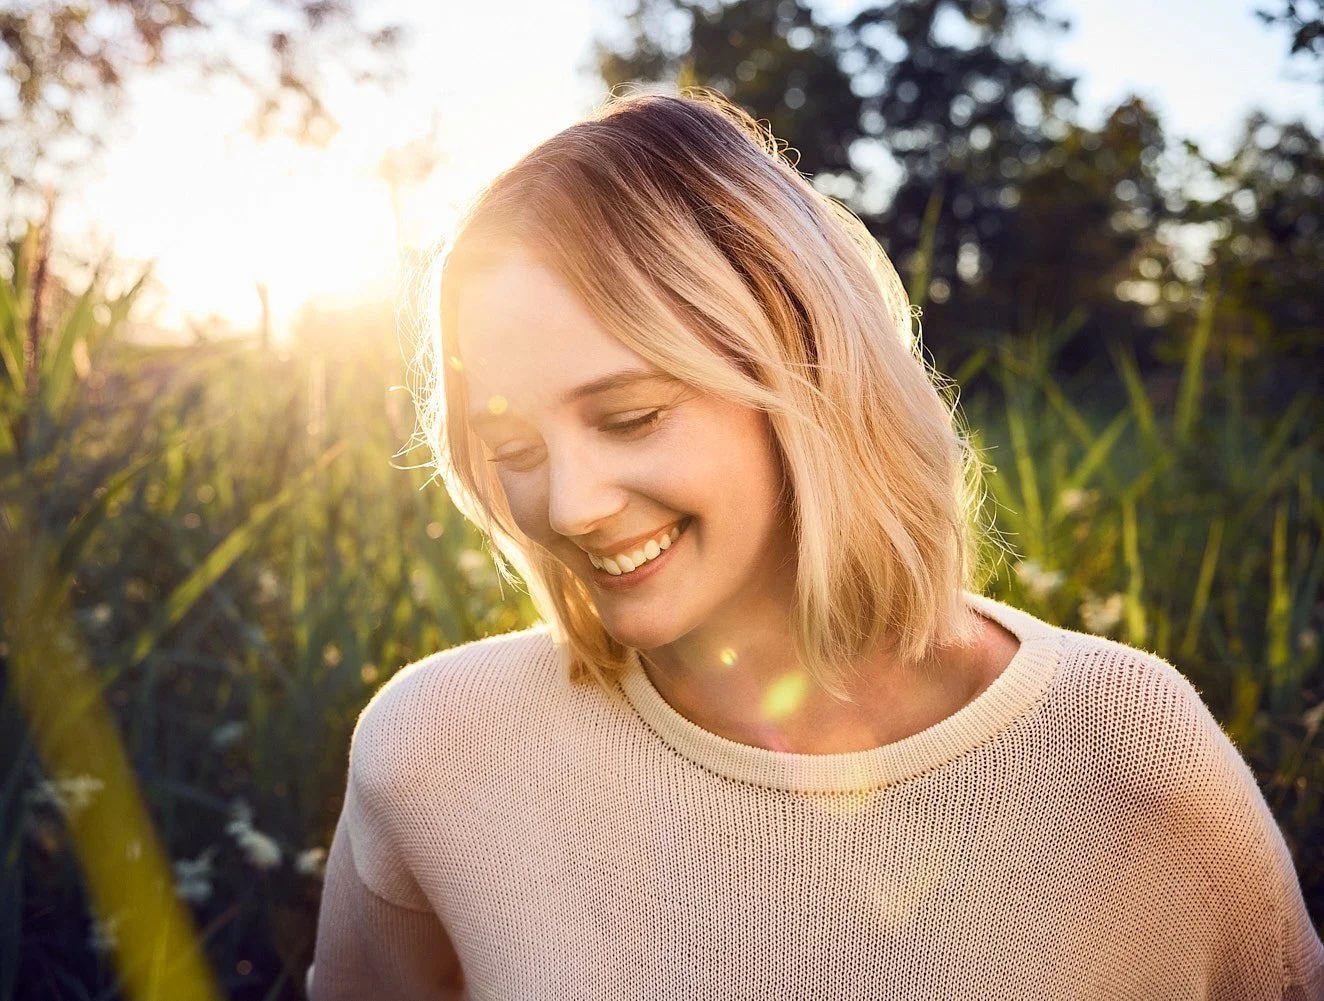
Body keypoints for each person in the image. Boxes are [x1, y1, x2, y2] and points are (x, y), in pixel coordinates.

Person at [306, 90, 1324, 999]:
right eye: (513, 444)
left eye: (629, 416)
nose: (568, 504)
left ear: (805, 369)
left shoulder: (1130, 756)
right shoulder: (433, 750)